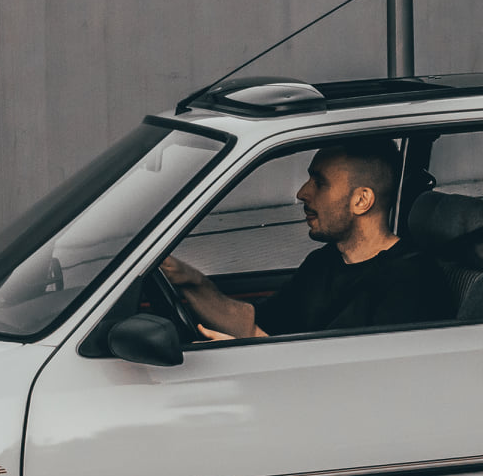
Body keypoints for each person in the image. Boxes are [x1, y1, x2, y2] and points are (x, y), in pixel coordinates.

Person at [160, 138, 455, 338]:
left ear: (361, 200)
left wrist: (250, 353)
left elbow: (358, 379)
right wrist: (189, 279)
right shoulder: (324, 262)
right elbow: (255, 324)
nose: (302, 193)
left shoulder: (411, 280)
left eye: (319, 183)